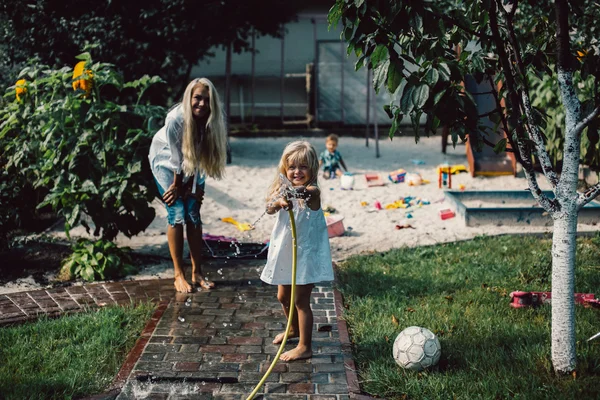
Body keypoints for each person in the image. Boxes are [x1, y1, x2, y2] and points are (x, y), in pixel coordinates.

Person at [148, 78, 227, 293]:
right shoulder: (176, 119)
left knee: (193, 211)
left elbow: (200, 156)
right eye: (197, 98)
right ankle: (178, 274)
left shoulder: (212, 120)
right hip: (165, 159)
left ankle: (197, 272)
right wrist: (177, 187)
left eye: (207, 100)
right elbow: (176, 159)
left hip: (190, 162)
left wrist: (197, 187)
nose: (202, 104)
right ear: (189, 98)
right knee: (177, 212)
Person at [261, 141, 334, 361]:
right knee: (283, 296)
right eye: (292, 167)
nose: (297, 172)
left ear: (312, 168)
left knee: (301, 300)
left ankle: (305, 346)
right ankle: (293, 329)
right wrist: (278, 202)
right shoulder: (281, 189)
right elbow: (268, 208)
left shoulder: (313, 192)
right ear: (284, 169)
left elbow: (309, 192)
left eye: (303, 167)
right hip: (286, 251)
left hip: (305, 253)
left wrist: (297, 192)